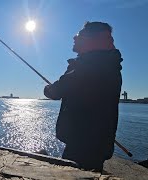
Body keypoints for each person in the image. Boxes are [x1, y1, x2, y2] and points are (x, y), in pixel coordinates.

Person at [44, 21, 122, 172]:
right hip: (97, 143)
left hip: (82, 145)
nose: (75, 38)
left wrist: (47, 88)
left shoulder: (88, 66)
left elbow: (54, 92)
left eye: (79, 35)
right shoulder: (109, 65)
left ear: (93, 40)